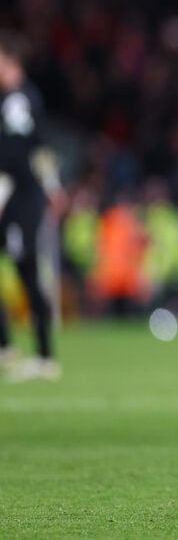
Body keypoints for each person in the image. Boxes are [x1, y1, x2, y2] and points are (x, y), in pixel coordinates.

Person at [0, 30, 64, 382]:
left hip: (21, 196)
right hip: (13, 194)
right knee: (22, 270)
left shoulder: (19, 101)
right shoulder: (11, 99)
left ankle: (43, 355)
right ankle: (7, 346)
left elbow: (23, 153)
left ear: (10, 60)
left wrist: (51, 187)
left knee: (26, 268)